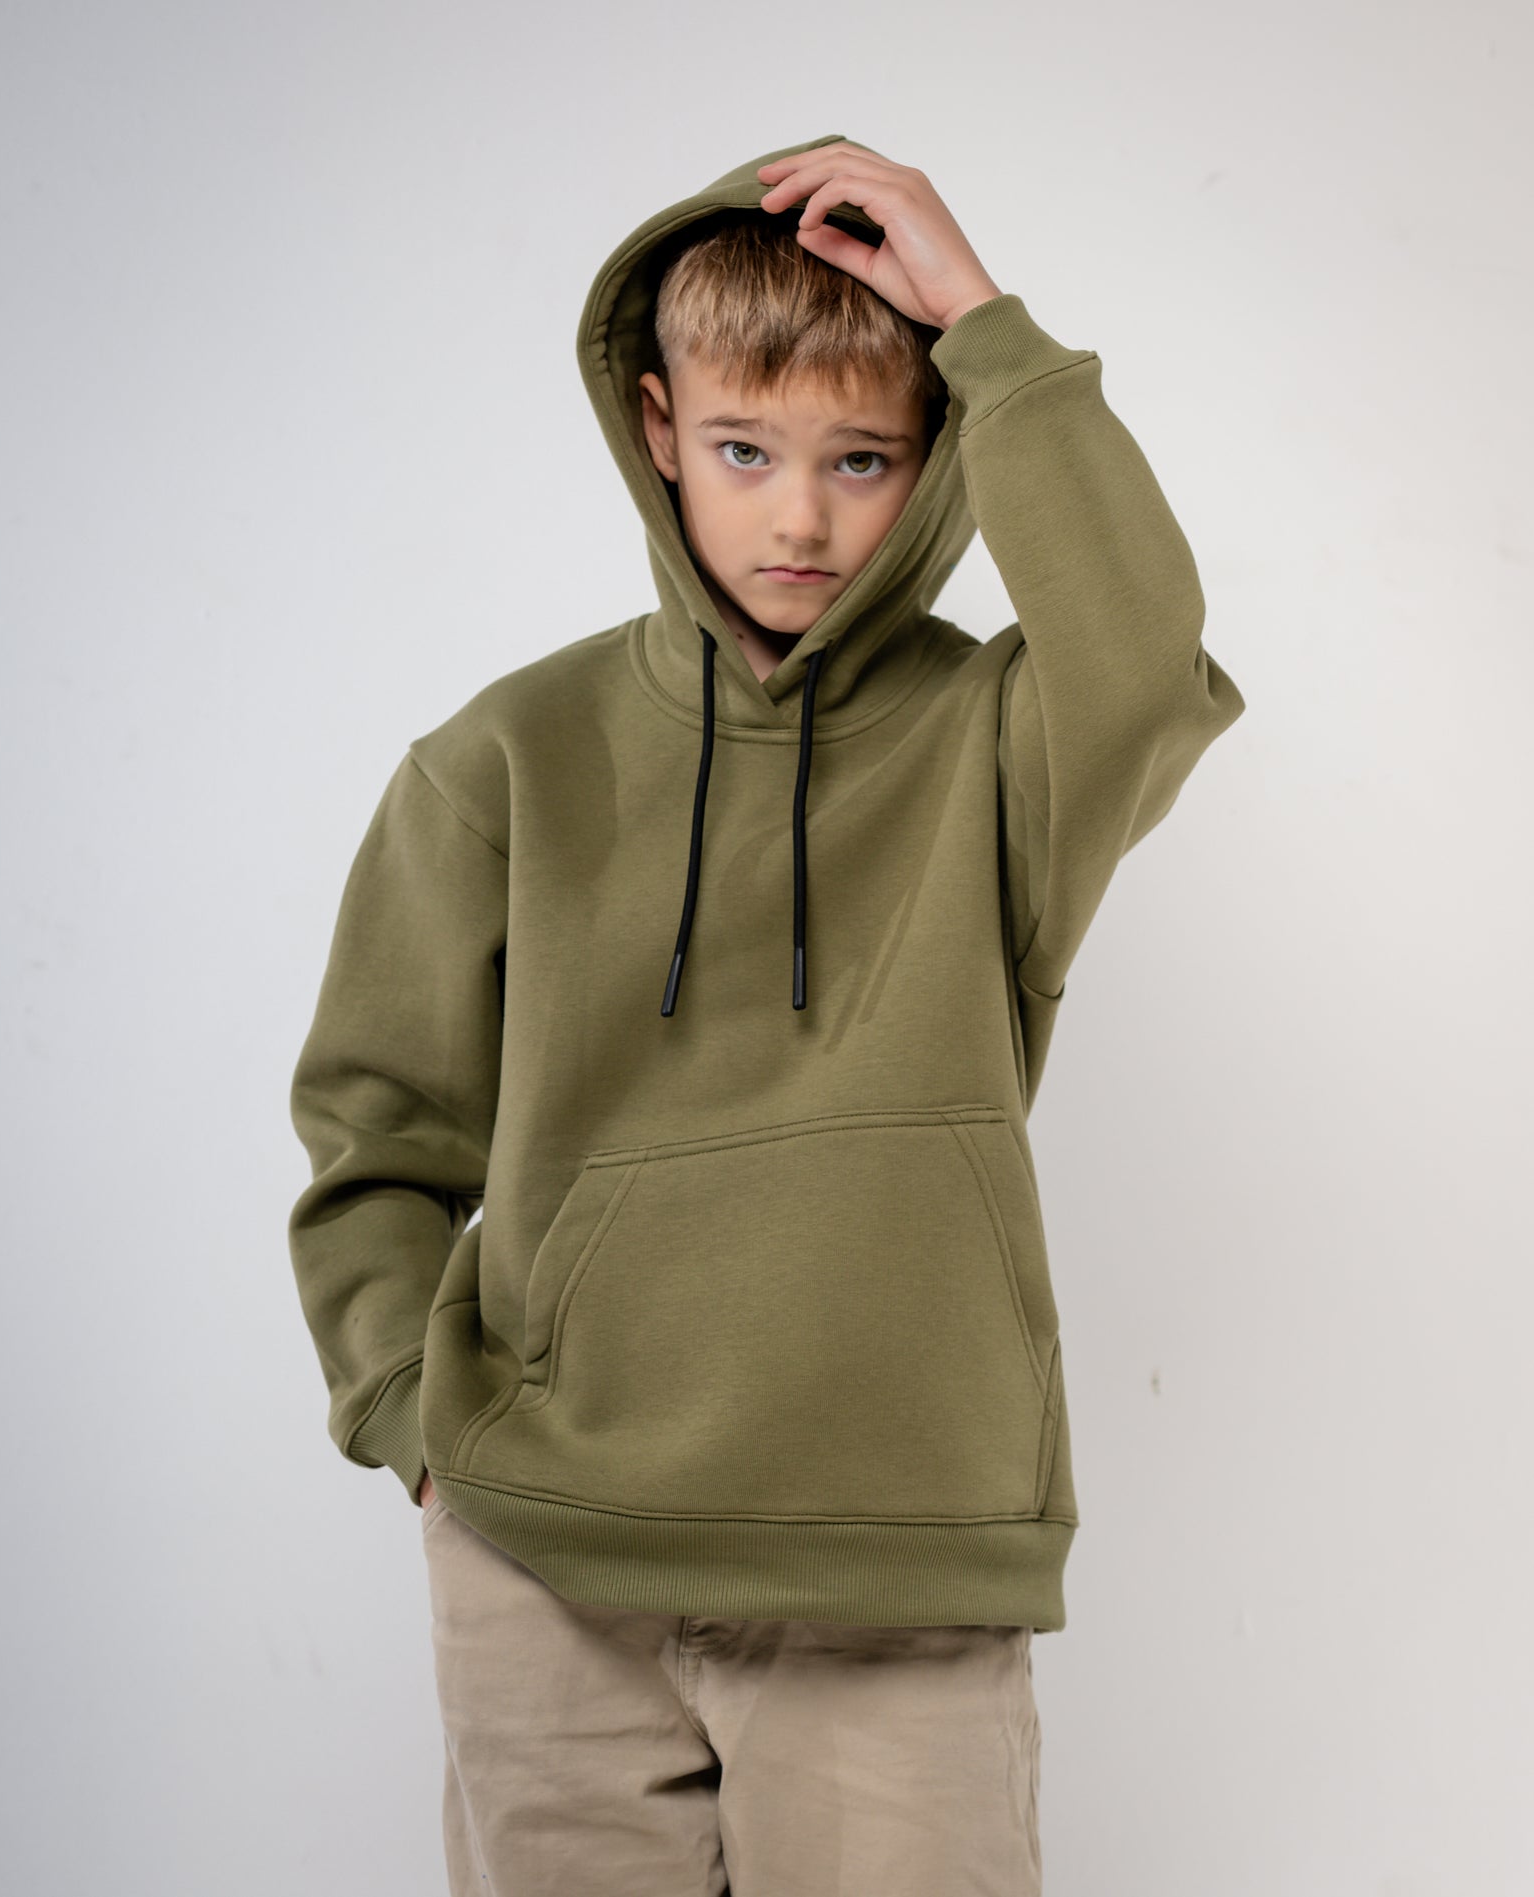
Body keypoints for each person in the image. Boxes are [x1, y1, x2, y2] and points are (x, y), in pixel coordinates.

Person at [287, 131, 1247, 1896]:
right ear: (658, 429)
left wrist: (984, 325)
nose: (799, 519)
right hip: (548, 1567)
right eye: (745, 450)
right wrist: (416, 1424)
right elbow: (375, 1133)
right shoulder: (504, 759)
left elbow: (1141, 664)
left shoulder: (997, 746)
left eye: (860, 459)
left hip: (897, 1568)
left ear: (935, 455)